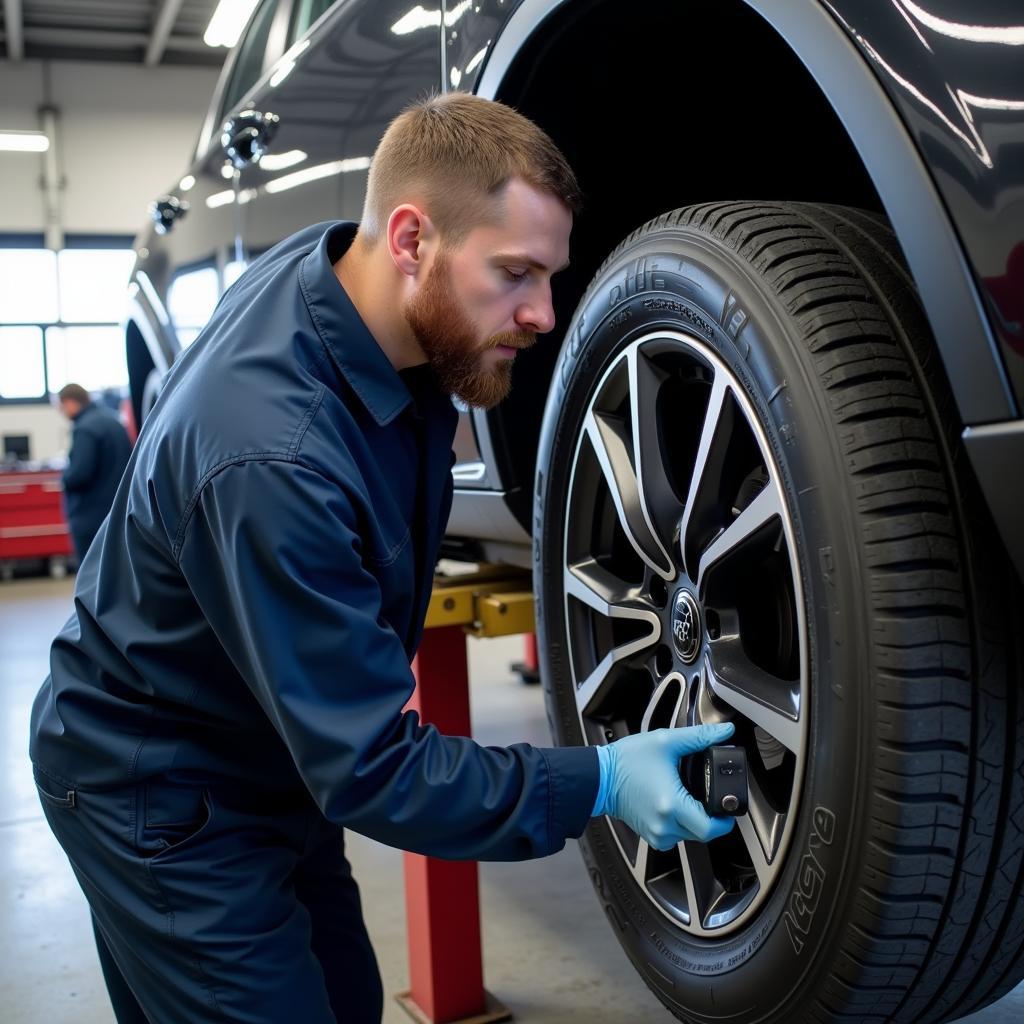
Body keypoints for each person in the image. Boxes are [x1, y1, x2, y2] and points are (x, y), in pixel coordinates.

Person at [30, 94, 735, 1024]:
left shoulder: (346, 277)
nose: (545, 314)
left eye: (550, 276)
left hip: (271, 754)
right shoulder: (272, 458)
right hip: (156, 790)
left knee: (347, 1004)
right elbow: (371, 769)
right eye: (516, 273)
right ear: (410, 240)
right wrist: (597, 780)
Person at [56, 382, 132, 562]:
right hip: (116, 513)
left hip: (89, 517)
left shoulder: (84, 429)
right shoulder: (114, 422)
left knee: (89, 576)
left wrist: (63, 478)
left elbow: (79, 474)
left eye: (61, 406)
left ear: (70, 403)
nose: (61, 412)